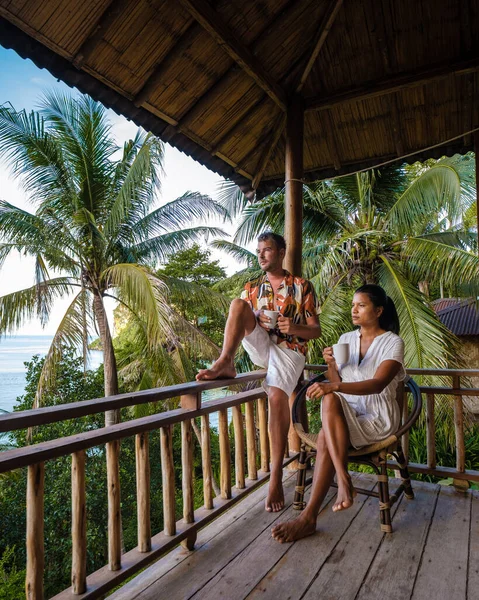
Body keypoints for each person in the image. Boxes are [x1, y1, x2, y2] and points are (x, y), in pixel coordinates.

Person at [196, 232, 321, 512]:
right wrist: (259, 322)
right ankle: (225, 361)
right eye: (258, 251)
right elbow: (241, 321)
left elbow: (316, 330)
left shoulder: (302, 286)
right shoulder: (252, 288)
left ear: (280, 252)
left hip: (290, 350)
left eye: (267, 250)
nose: (261, 255)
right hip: (263, 346)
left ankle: (275, 476)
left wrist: (294, 327)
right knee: (238, 305)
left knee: (277, 397)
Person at [272, 284, 405, 543]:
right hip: (346, 414)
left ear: (378, 310)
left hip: (378, 418)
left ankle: (321, 503)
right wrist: (331, 365)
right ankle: (332, 490)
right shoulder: (346, 339)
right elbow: (337, 379)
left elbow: (378, 384)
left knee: (326, 422)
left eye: (361, 305)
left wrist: (333, 385)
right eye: (353, 305)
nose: (354, 310)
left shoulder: (392, 343)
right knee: (330, 405)